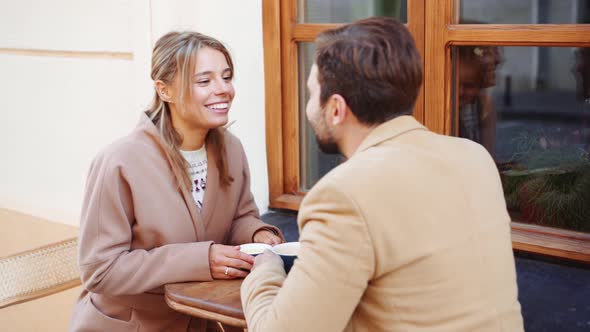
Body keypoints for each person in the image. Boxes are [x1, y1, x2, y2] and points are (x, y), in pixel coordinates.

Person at [241, 17, 524, 332]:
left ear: (335, 108)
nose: (309, 108)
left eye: (311, 95)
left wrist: (266, 270)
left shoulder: (343, 194)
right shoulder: (474, 158)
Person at [70, 31, 284, 332]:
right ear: (164, 90)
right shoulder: (119, 162)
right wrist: (200, 260)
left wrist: (258, 235)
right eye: (205, 81)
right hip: (132, 325)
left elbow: (239, 217)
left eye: (226, 77)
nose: (224, 89)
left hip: (204, 319)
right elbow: (100, 270)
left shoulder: (231, 150)